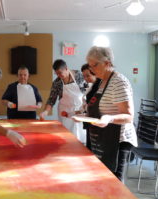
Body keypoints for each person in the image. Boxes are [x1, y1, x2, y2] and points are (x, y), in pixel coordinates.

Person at [86, 46, 137, 182]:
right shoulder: (102, 82)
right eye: (90, 66)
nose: (91, 70)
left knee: (114, 183)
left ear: (107, 63)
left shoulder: (118, 82)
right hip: (105, 138)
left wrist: (109, 118)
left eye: (94, 65)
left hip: (117, 141)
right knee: (103, 180)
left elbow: (129, 116)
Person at [39, 59, 86, 143]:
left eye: (60, 73)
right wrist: (45, 111)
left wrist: (86, 106)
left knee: (81, 136)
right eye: (57, 73)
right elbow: (51, 99)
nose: (59, 75)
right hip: (64, 112)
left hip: (79, 110)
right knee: (67, 137)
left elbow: (88, 90)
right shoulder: (57, 83)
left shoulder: (79, 75)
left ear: (66, 68)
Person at [80, 64, 101, 150]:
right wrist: (83, 109)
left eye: (88, 75)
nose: (86, 78)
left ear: (95, 73)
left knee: (95, 149)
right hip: (90, 121)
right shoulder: (92, 85)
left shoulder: (100, 86)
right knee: (89, 147)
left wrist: (86, 107)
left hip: (98, 123)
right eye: (84, 76)